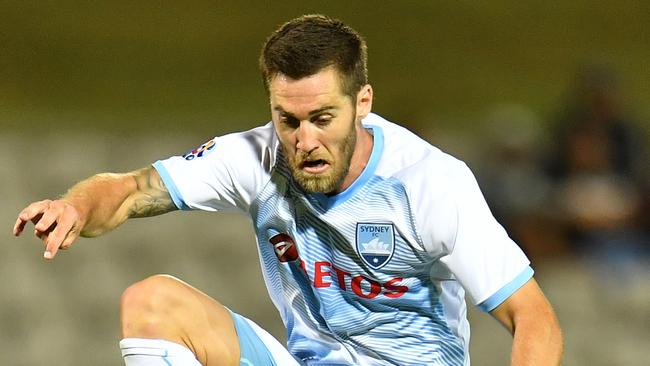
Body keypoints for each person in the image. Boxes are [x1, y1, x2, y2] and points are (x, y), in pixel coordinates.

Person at [13, 14, 562, 366]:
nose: (305, 140)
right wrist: (76, 205)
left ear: (362, 102)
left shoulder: (431, 184)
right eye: (288, 120)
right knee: (151, 301)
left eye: (323, 118)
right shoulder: (255, 157)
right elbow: (131, 190)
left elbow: (533, 317)